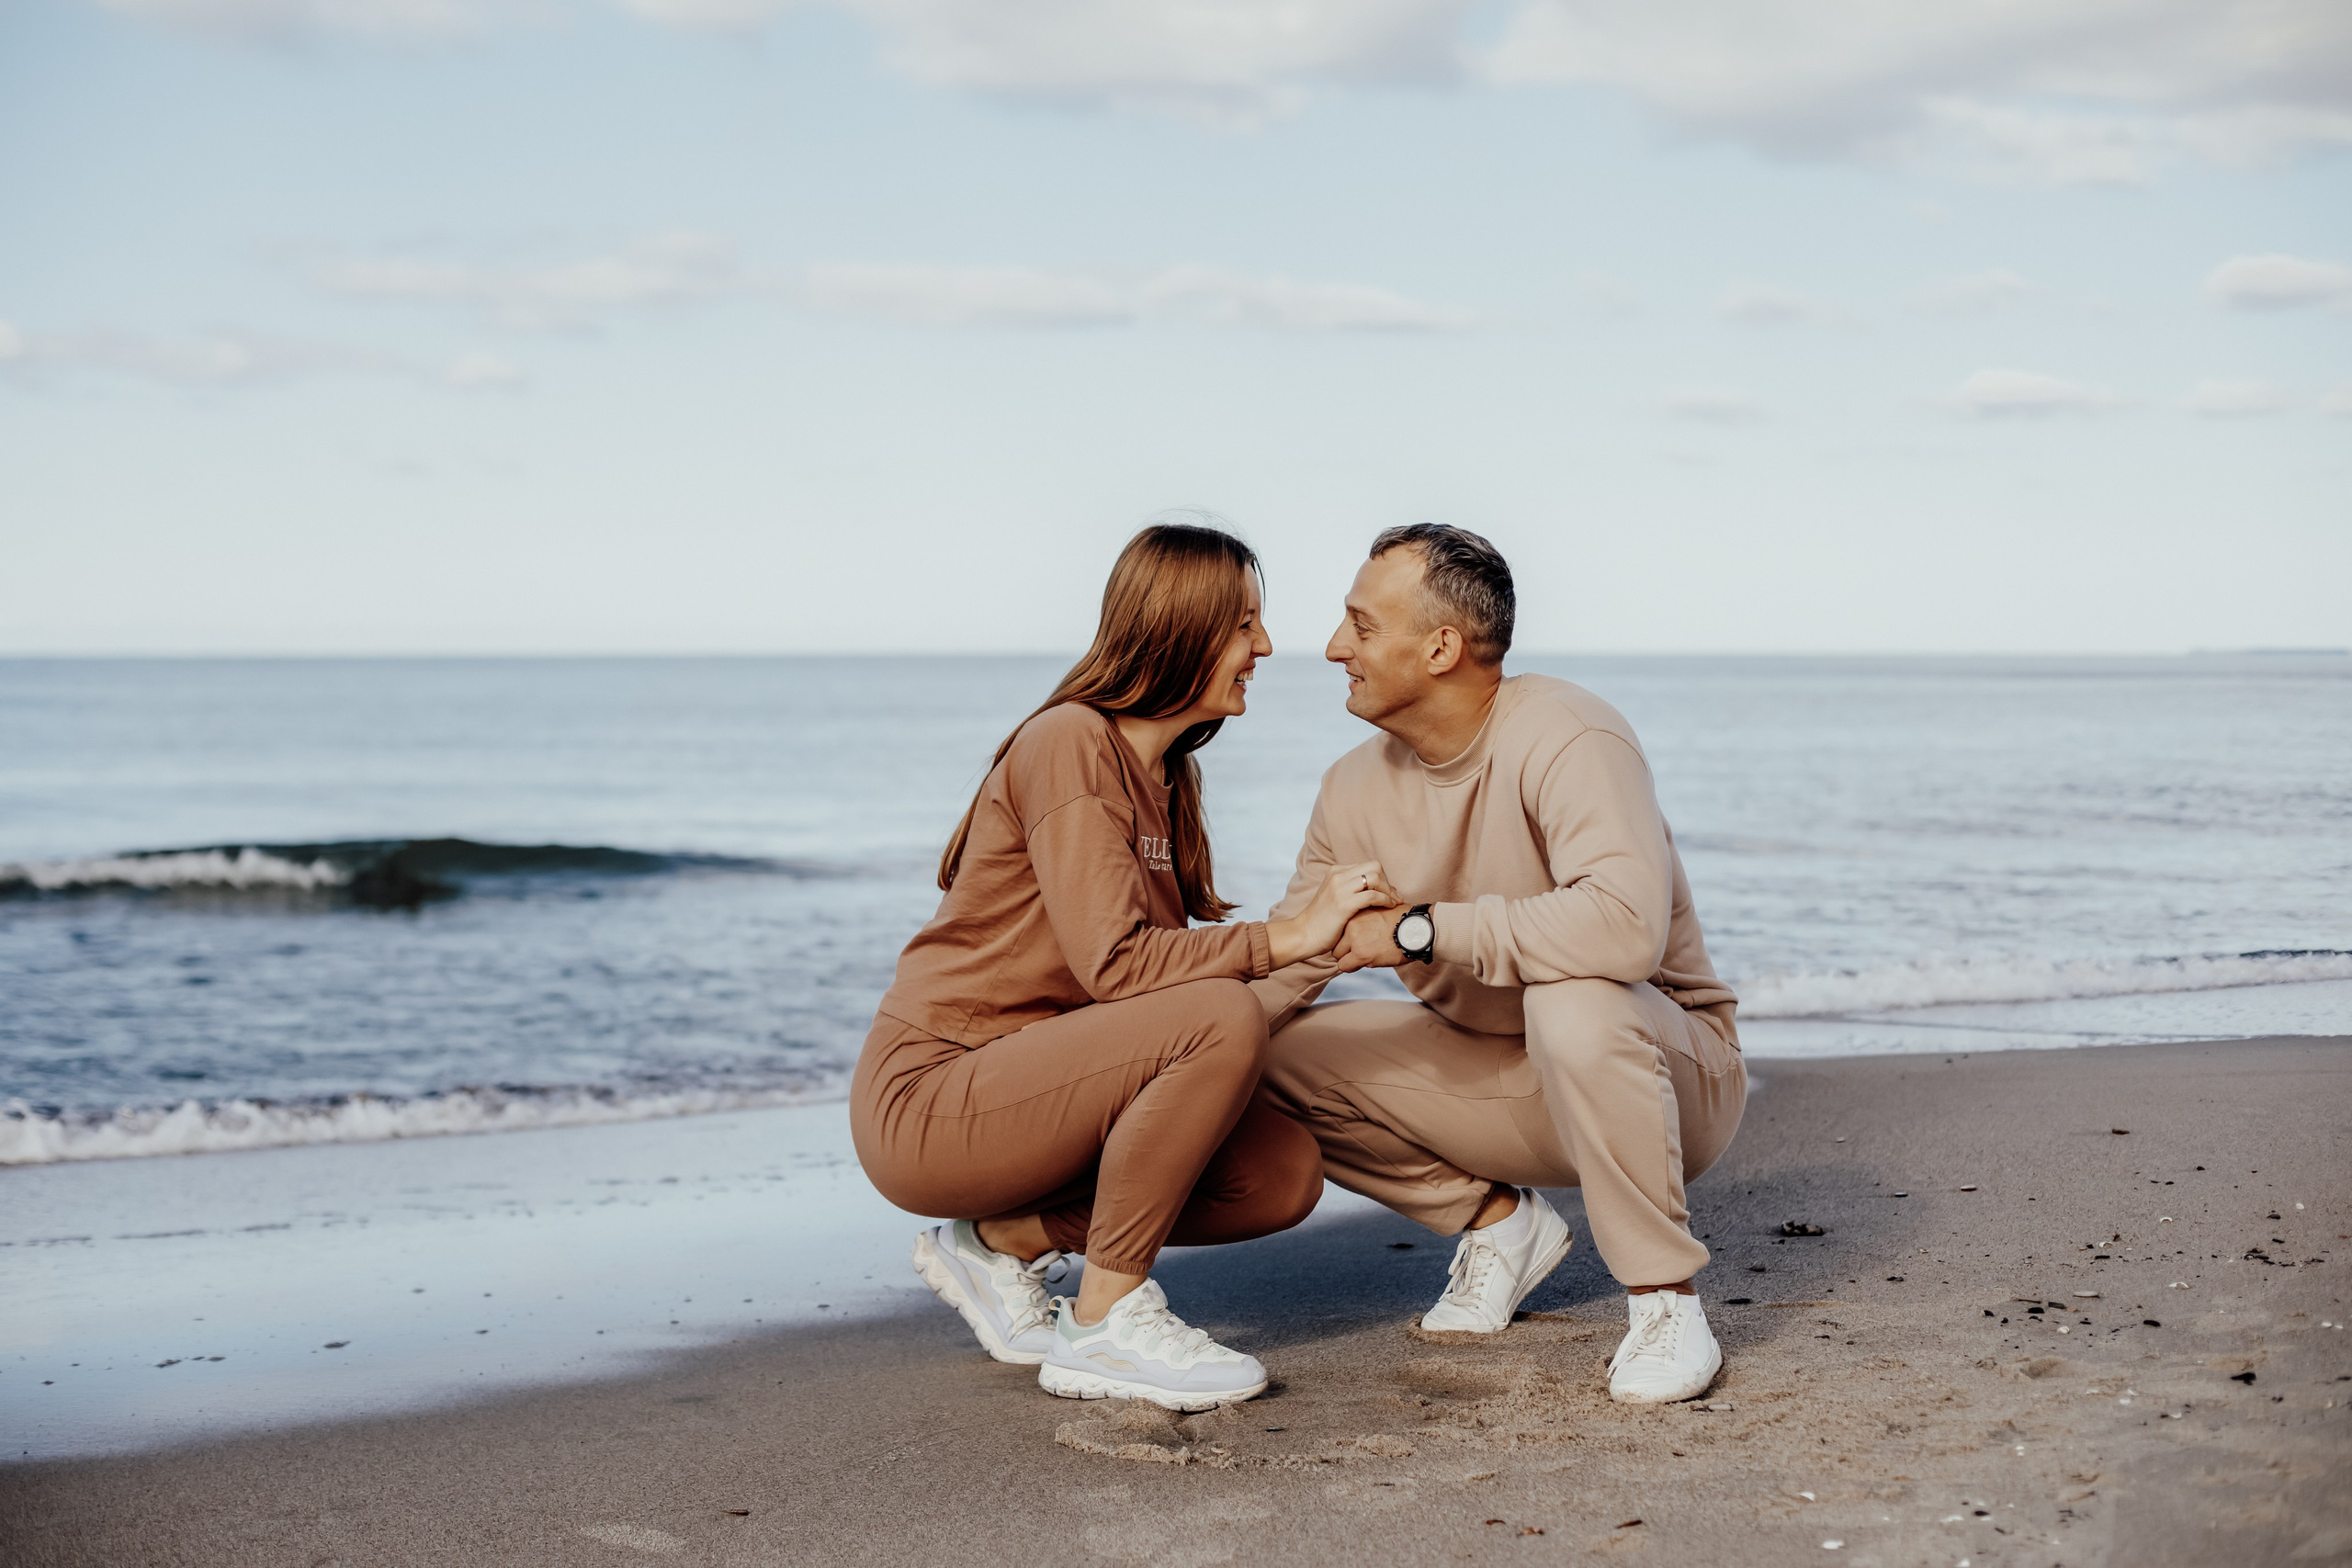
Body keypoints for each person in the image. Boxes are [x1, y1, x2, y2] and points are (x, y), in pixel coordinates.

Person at [852, 519, 1394, 1413]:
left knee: (1279, 1170)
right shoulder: (1067, 741)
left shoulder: (1168, 783)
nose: (1263, 646)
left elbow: (1168, 995)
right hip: (931, 1098)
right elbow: (1120, 968)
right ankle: (1102, 1321)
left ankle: (1000, 1242)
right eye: (1243, 624)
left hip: (1041, 1099)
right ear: (1180, 625)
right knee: (1220, 1013)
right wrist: (1289, 933)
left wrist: (1338, 946)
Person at [1253, 524, 1746, 1404]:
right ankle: (1498, 1226)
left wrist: (1418, 929)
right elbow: (1288, 962)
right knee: (1268, 1050)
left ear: (1441, 646)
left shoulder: (1571, 733)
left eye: (1361, 627)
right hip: (1502, 1076)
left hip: (1669, 1076)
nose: (1334, 649)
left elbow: (1623, 928)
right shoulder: (1351, 788)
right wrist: (1129, 1048)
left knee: (1576, 999)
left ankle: (1667, 1302)